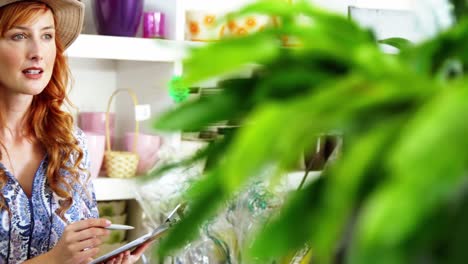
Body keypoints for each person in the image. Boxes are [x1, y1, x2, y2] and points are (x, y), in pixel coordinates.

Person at [0, 0, 151, 263]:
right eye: (19, 35)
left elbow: (79, 253)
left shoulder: (69, 141)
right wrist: (53, 260)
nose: (37, 51)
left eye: (47, 35)